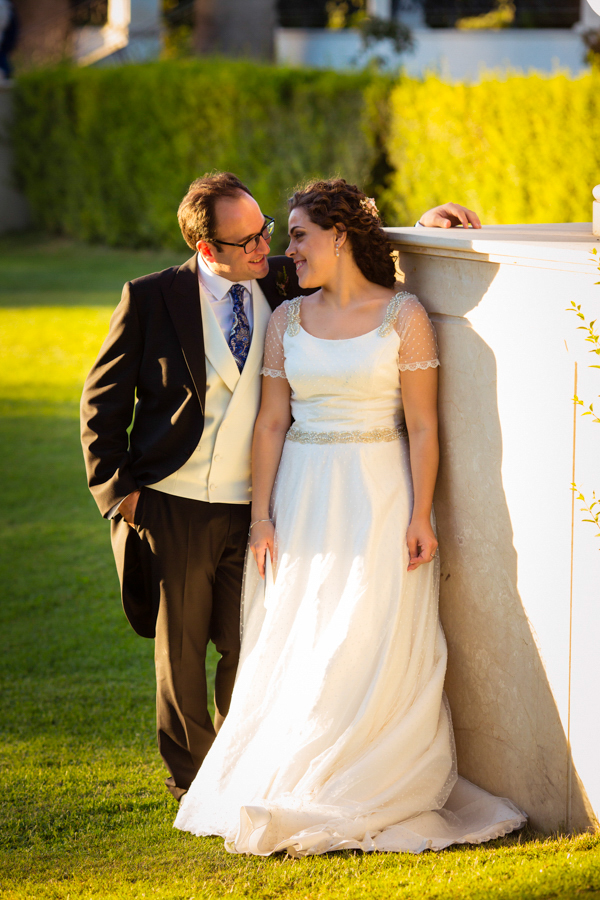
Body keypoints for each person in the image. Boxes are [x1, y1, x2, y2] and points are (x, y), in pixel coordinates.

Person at [80, 170, 481, 802]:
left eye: (266, 230)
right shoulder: (152, 297)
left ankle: (245, 761)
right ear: (207, 249)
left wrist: (428, 228)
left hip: (263, 502)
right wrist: (123, 495)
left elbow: (349, 254)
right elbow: (99, 405)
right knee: (180, 654)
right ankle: (194, 782)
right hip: (174, 500)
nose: (265, 248)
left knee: (256, 643)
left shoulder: (280, 278)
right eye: (247, 242)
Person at [174, 179, 526, 855]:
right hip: (304, 496)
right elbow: (272, 424)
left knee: (370, 632)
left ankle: (366, 776)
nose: (287, 250)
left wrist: (420, 514)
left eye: (300, 235)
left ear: (339, 237)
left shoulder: (406, 316)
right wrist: (262, 520)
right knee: (307, 634)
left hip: (380, 494)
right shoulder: (287, 320)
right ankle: (301, 766)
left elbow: (423, 428)